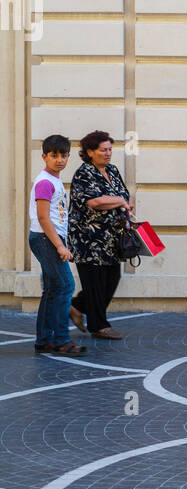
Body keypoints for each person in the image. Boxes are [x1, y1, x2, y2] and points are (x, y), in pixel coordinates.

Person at [67, 131, 132, 340]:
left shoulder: (112, 170)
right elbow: (95, 201)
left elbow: (123, 194)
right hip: (89, 239)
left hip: (112, 238)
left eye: (110, 149)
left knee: (112, 278)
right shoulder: (84, 173)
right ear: (90, 152)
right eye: (103, 150)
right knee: (95, 282)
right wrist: (120, 201)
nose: (108, 153)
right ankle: (100, 326)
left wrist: (126, 203)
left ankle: (76, 307)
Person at [28, 134, 86, 356]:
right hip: (46, 239)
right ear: (44, 156)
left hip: (47, 239)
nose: (59, 159)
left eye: (63, 155)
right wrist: (60, 246)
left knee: (53, 290)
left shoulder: (53, 179)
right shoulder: (44, 181)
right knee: (65, 286)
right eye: (54, 155)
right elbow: (43, 218)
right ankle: (62, 340)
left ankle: (44, 341)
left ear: (69, 156)